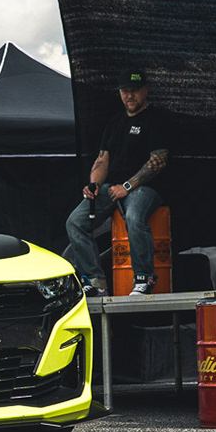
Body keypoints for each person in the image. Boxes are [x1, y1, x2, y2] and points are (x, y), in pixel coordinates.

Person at [65, 74, 173, 297]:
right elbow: (102, 159)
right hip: (112, 188)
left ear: (145, 90)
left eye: (134, 90)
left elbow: (158, 161)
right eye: (125, 91)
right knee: (75, 222)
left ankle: (144, 279)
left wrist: (128, 186)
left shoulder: (157, 119)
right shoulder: (115, 122)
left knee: (134, 217)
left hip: (145, 187)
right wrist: (94, 185)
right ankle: (95, 282)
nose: (129, 95)